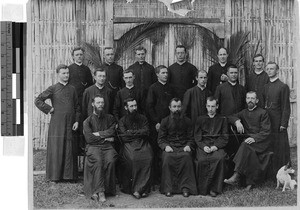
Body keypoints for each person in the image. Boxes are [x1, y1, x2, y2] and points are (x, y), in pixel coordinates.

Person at [35, 64, 80, 182]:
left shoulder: (72, 89)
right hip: (57, 123)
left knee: (69, 148)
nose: (66, 75)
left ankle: (69, 176)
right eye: (63, 73)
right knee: (57, 147)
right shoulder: (53, 88)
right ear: (58, 74)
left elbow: (77, 106)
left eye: (67, 73)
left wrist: (77, 120)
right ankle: (55, 176)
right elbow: (38, 100)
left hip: (71, 123)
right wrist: (49, 109)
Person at [224, 91, 271, 190]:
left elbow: (266, 132)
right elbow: (230, 117)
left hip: (260, 142)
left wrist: (254, 138)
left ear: (257, 100)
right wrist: (237, 121)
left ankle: (236, 175)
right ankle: (249, 183)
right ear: (245, 100)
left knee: (245, 145)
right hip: (248, 143)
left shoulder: (263, 113)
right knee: (247, 148)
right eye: (248, 98)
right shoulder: (243, 113)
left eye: (252, 98)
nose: (250, 100)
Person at [158, 98, 197, 197]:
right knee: (167, 158)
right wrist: (165, 146)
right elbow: (161, 139)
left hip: (183, 147)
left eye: (179, 107)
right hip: (170, 147)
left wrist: (188, 145)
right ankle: (168, 188)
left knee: (186, 157)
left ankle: (185, 187)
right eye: (174, 107)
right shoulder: (165, 121)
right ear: (170, 108)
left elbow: (191, 138)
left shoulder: (187, 121)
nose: (177, 109)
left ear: (182, 107)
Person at [83, 94, 118, 203]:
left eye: (102, 103)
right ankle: (100, 191)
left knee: (110, 160)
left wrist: (98, 134)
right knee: (98, 161)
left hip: (107, 148)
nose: (100, 105)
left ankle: (107, 189)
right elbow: (89, 139)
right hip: (93, 147)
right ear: (93, 104)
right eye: (98, 103)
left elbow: (112, 131)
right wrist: (106, 138)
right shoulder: (87, 121)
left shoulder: (110, 118)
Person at [118, 98, 153, 199]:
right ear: (126, 107)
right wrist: (138, 133)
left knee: (148, 157)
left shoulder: (143, 118)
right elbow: (124, 137)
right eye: (131, 106)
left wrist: (131, 132)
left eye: (135, 105)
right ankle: (135, 189)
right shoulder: (122, 120)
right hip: (128, 144)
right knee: (133, 159)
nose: (134, 108)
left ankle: (143, 188)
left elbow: (146, 132)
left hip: (143, 143)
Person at [146, 65, 176, 186]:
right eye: (163, 73)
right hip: (157, 125)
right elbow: (149, 106)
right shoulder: (153, 88)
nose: (165, 75)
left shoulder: (171, 88)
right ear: (157, 74)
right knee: (156, 150)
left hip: (170, 124)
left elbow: (174, 105)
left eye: (166, 73)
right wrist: (156, 122)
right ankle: (156, 178)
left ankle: (168, 177)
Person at [194, 96, 228, 197]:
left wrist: (215, 146)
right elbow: (197, 136)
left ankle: (214, 188)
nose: (210, 109)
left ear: (217, 106)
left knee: (219, 158)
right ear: (206, 106)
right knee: (201, 160)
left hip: (217, 146)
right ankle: (203, 188)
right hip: (203, 145)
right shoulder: (200, 119)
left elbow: (225, 137)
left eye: (213, 106)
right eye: (208, 106)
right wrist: (203, 146)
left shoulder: (223, 119)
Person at [263, 61, 291, 174]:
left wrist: (283, 123)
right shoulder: (265, 87)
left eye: (272, 69)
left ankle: (284, 171)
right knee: (270, 146)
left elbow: (286, 107)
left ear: (277, 71)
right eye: (268, 69)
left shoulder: (283, 86)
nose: (269, 71)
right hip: (268, 121)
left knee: (281, 147)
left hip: (278, 122)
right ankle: (271, 172)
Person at [68, 47, 94, 155]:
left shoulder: (86, 69)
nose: (79, 56)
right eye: (77, 55)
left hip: (85, 101)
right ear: (73, 56)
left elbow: (90, 85)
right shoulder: (69, 69)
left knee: (84, 122)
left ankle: (84, 146)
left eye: (81, 54)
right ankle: (75, 148)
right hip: (73, 101)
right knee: (75, 123)